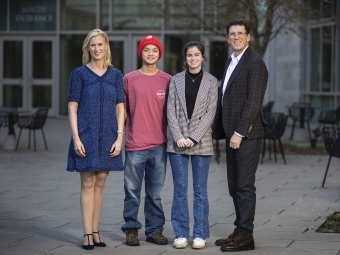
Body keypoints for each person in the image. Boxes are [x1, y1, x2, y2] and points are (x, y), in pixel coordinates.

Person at [66, 29, 125, 250]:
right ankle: (86, 233)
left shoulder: (116, 75)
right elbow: (72, 108)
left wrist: (120, 137)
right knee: (88, 182)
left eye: (100, 44)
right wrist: (76, 138)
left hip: (109, 135)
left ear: (106, 46)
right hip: (86, 134)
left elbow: (121, 108)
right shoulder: (79, 74)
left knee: (100, 183)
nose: (97, 49)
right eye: (93, 45)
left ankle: (96, 231)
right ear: (87, 48)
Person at [214, 19, 269, 252]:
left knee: (245, 186)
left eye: (240, 33)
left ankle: (246, 236)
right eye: (232, 33)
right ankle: (240, 229)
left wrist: (238, 132)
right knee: (234, 185)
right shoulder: (231, 61)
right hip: (231, 134)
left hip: (246, 135)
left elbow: (253, 102)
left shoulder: (255, 63)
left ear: (248, 36)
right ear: (228, 37)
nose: (236, 37)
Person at [167, 41, 218, 249]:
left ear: (203, 57)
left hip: (202, 142)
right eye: (189, 55)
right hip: (177, 142)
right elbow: (170, 110)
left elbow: (211, 112)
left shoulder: (212, 81)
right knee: (179, 189)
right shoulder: (175, 80)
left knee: (200, 190)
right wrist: (179, 136)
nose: (193, 59)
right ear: (185, 57)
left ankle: (199, 234)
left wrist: (193, 137)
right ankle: (180, 233)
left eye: (197, 55)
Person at [121, 35, 171, 246]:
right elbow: (121, 111)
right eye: (146, 50)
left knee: (155, 193)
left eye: (154, 50)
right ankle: (131, 229)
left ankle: (154, 230)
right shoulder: (129, 79)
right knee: (132, 191)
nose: (150, 54)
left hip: (159, 145)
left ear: (160, 54)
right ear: (140, 53)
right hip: (135, 145)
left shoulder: (168, 80)